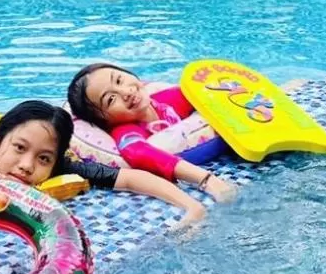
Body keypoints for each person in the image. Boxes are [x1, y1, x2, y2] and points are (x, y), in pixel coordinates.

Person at [0, 100, 211, 227]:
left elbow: (131, 178)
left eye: (44, 158)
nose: (27, 165)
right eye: (19, 148)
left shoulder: (64, 171)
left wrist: (192, 206)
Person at [67, 64, 236, 203]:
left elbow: (214, 95)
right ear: (103, 121)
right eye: (111, 99)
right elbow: (140, 153)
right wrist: (206, 179)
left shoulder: (169, 99)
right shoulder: (126, 132)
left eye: (119, 80)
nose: (126, 93)